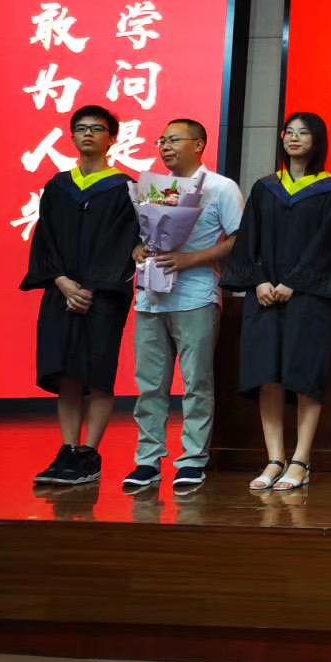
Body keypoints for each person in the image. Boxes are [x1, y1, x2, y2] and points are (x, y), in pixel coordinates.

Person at [221, 112, 331, 492]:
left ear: (317, 140)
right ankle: (274, 458)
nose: (294, 138)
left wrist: (295, 283)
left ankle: (301, 460)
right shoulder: (265, 188)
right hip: (264, 297)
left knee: (304, 377)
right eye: (289, 132)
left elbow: (329, 246)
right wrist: (259, 280)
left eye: (303, 133)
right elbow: (249, 239)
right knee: (268, 376)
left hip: (308, 299)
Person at [123, 118, 244, 494]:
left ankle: (193, 459)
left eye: (174, 139)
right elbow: (142, 236)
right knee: (149, 384)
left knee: (196, 382)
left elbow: (239, 239)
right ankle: (148, 459)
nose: (165, 146)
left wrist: (191, 259)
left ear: (199, 144)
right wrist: (138, 249)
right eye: (161, 140)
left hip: (196, 296)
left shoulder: (221, 187)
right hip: (151, 297)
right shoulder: (154, 188)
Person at [24, 105, 140, 487]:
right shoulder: (58, 186)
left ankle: (90, 453)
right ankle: (69, 449)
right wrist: (61, 281)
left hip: (102, 296)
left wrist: (90, 286)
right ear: (72, 136)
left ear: (112, 138)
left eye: (97, 128)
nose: (88, 133)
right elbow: (45, 239)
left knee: (97, 372)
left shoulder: (125, 188)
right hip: (62, 292)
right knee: (66, 373)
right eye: (81, 128)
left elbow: (124, 244)